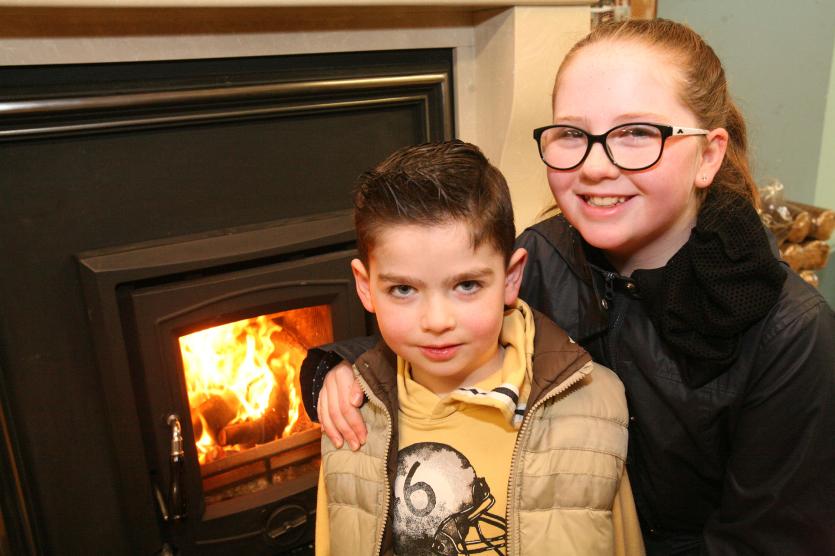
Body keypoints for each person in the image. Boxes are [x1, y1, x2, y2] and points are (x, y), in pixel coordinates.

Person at [304, 19, 835, 555]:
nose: (596, 166)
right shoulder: (546, 254)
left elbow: (770, 541)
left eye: (636, 134)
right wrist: (339, 367)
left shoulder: (792, 333)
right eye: (574, 135)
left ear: (709, 155)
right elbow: (454, 324)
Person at [314, 140, 644, 555]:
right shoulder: (349, 420)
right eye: (402, 289)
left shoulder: (592, 405)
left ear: (510, 278)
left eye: (467, 285)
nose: (436, 321)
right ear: (365, 287)